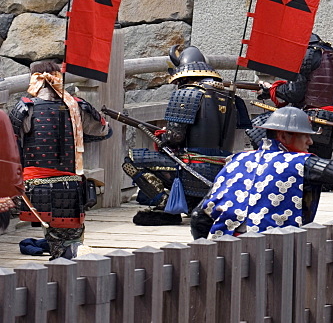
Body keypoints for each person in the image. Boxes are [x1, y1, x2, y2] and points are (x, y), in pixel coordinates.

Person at [190, 107, 333, 238]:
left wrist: (203, 249)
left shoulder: (235, 160)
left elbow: (200, 216)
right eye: (305, 136)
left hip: (223, 251)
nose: (310, 143)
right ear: (283, 136)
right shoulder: (298, 163)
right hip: (273, 252)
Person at [124, 45, 251, 225]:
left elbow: (175, 137)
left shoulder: (187, 93)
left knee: (131, 160)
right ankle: (192, 203)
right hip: (221, 169)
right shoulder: (230, 96)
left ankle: (166, 204)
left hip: (192, 166)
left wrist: (162, 137)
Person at [8, 61, 111, 259]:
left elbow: (11, 142)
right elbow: (103, 131)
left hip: (33, 187)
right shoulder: (77, 106)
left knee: (55, 241)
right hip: (70, 186)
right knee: (70, 243)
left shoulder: (25, 108)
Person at [256, 33, 333, 160]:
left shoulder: (304, 53)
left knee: (257, 128)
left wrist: (271, 90)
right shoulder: (329, 51)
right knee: (321, 166)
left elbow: (294, 93)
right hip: (332, 119)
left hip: (311, 120)